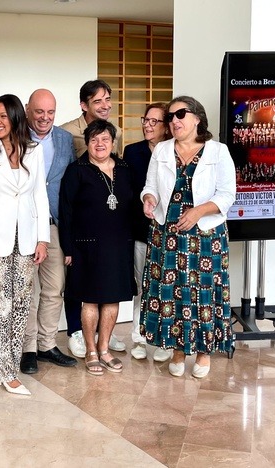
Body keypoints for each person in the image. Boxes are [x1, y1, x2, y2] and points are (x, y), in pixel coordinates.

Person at [140, 96, 236, 379]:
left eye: (181, 114)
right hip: (167, 232)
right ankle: (178, 350)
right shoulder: (161, 150)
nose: (175, 121)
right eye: (170, 117)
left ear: (197, 118)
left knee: (203, 293)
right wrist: (148, 199)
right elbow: (151, 186)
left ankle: (204, 353)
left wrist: (199, 212)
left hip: (206, 235)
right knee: (172, 291)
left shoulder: (218, 151)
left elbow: (228, 194)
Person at [0, 94, 50, 395]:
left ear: (16, 117)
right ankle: (1, 370)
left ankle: (10, 365)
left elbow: (39, 196)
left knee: (19, 306)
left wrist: (43, 238)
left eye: (3, 116)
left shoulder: (34, 150)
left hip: (27, 240)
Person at [59, 119, 135, 376]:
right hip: (86, 246)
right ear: (88, 143)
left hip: (119, 244)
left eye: (105, 139)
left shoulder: (125, 168)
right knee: (90, 299)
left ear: (113, 143)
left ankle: (104, 349)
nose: (99, 144)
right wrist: (67, 248)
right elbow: (66, 211)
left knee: (112, 299)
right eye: (94, 140)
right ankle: (91, 351)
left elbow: (134, 206)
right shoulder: (76, 170)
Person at [61, 79, 126, 356]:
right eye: (98, 100)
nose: (105, 105)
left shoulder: (118, 132)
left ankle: (104, 336)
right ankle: (77, 331)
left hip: (108, 225)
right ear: (84, 104)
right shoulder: (65, 133)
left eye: (108, 99)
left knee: (107, 284)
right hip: (78, 216)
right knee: (79, 282)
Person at [20, 89, 77, 374]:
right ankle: (27, 348)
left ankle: (46, 344)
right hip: (25, 227)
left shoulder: (65, 140)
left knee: (54, 289)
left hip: (55, 226)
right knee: (27, 290)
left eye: (50, 112)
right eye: (39, 111)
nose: (45, 118)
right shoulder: (14, 137)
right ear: (28, 109)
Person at [123, 103, 173, 362]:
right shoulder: (132, 152)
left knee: (168, 287)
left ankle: (165, 339)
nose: (147, 125)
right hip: (141, 231)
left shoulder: (176, 151)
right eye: (146, 120)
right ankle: (139, 338)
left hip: (171, 232)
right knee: (142, 287)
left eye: (154, 121)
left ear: (166, 126)